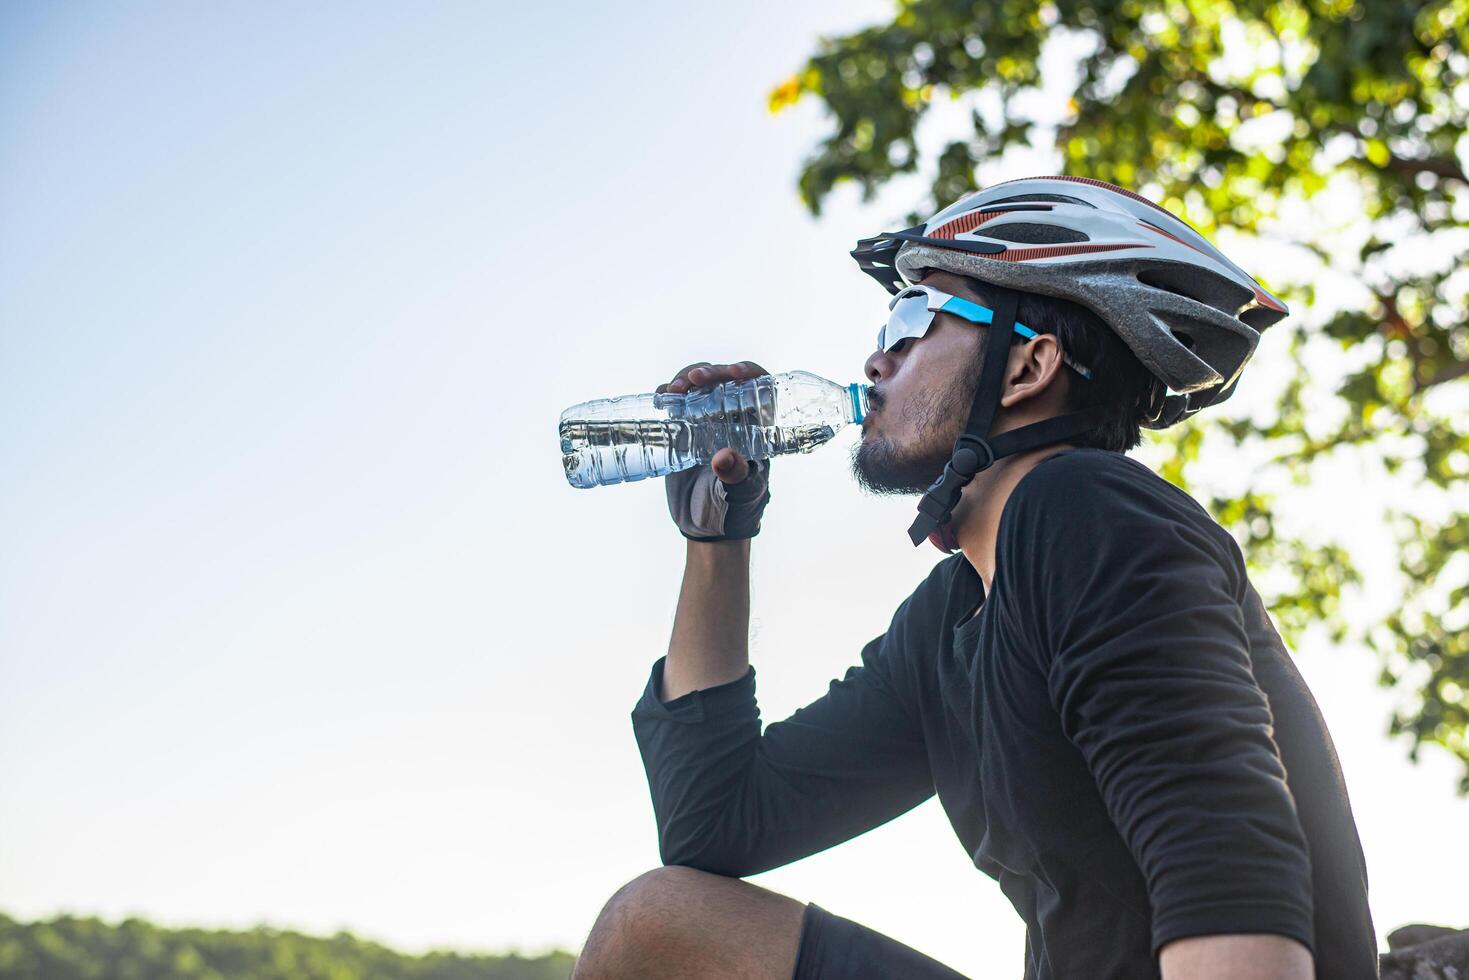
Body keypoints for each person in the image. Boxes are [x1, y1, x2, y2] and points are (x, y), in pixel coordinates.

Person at [570, 177, 1378, 979]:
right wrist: (716, 541)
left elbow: (1219, 848)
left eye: (916, 317)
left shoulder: (1084, 512)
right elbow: (715, 826)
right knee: (656, 926)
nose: (877, 355)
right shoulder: (955, 616)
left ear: (1028, 366)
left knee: (653, 923)